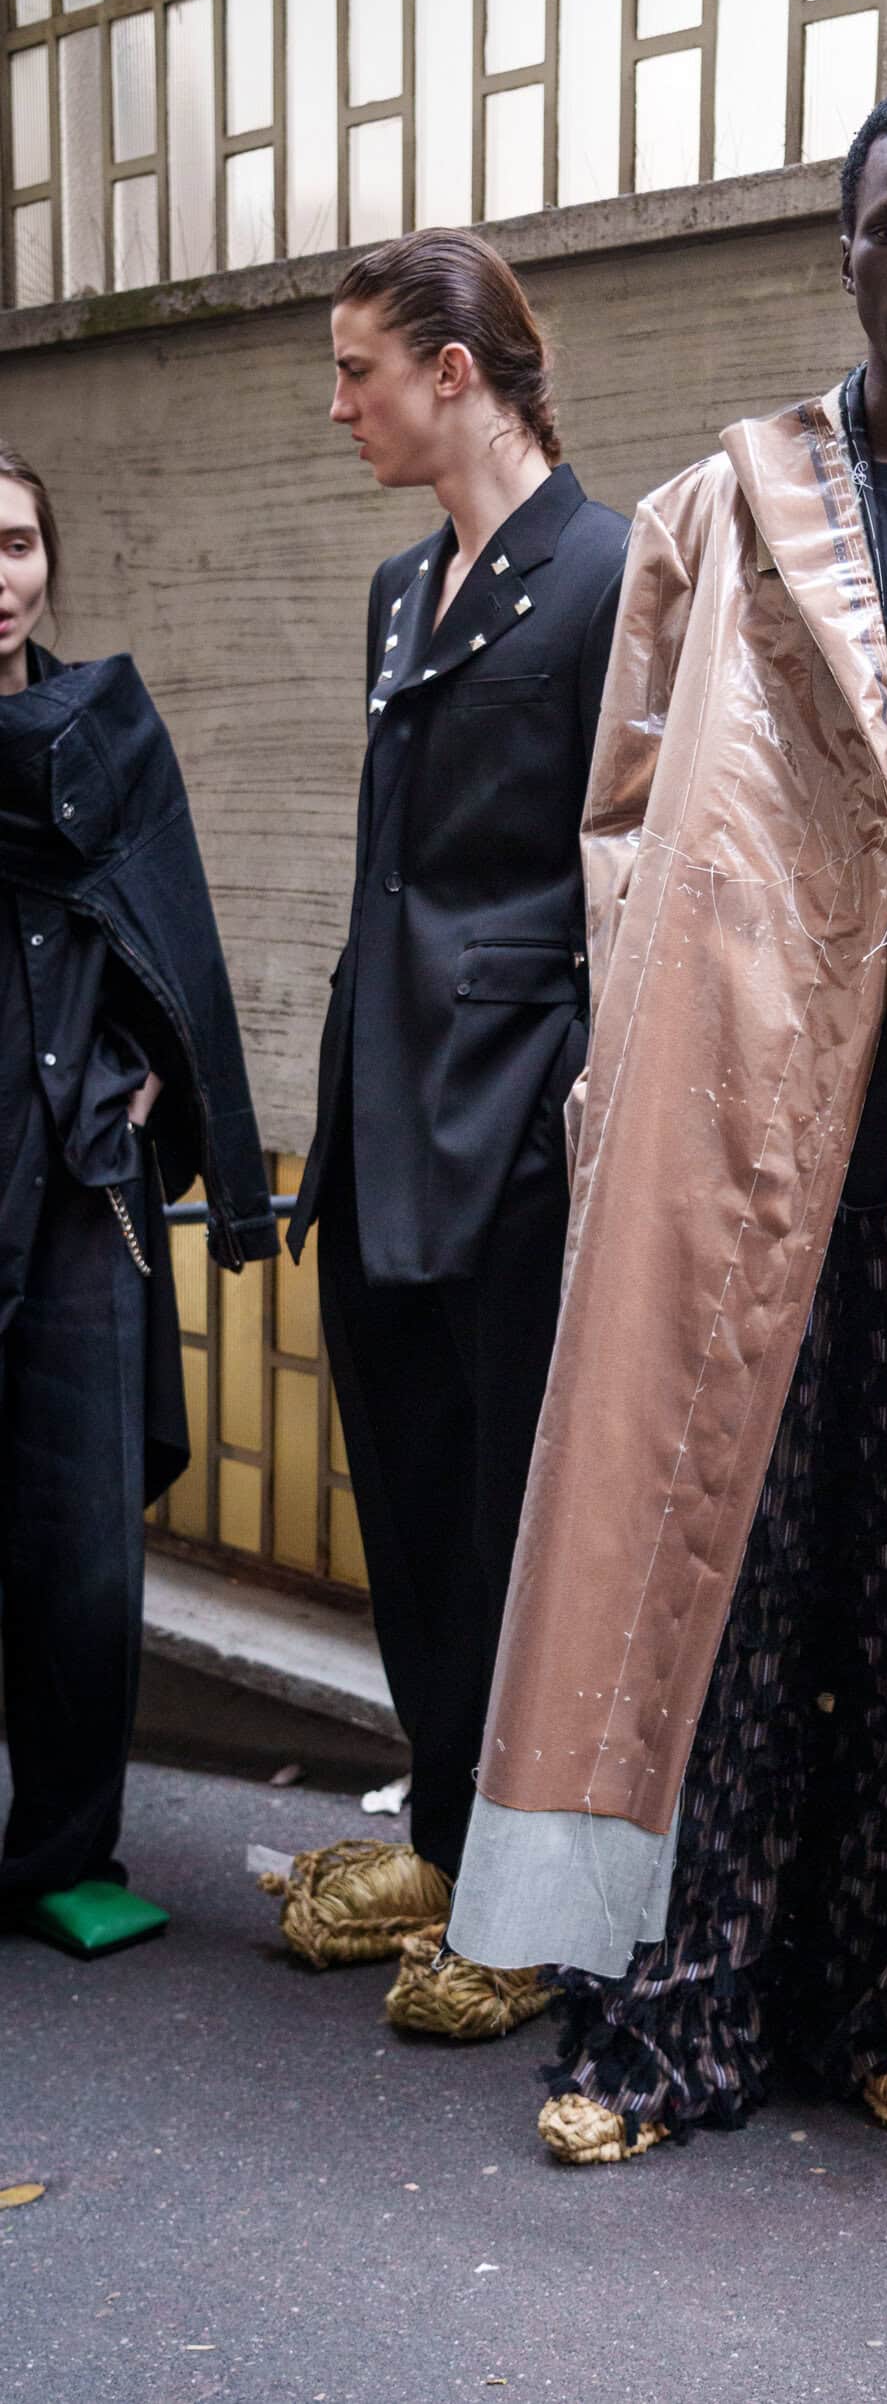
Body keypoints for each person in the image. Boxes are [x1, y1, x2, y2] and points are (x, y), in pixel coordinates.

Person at [443, 82, 887, 2162]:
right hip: (747, 1125)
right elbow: (621, 833)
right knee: (717, 1555)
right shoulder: (717, 512)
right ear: (844, 251)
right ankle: (662, 2018)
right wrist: (632, 1079)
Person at [281, 231, 629, 2034]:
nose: (338, 404)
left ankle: (521, 1895)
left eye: (359, 369)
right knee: (406, 1492)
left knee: (511, 1513)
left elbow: (624, 874)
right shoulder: (400, 592)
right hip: (382, 1099)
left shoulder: (609, 574)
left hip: (518, 1120)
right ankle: (436, 1825)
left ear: (458, 370)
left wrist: (579, 1093)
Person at [0, 444, 276, 1940]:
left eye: (20, 544)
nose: (1, 577)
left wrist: (151, 1078)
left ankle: (62, 1856)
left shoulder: (108, 725)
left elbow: (176, 922)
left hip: (76, 1180)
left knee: (80, 1537)